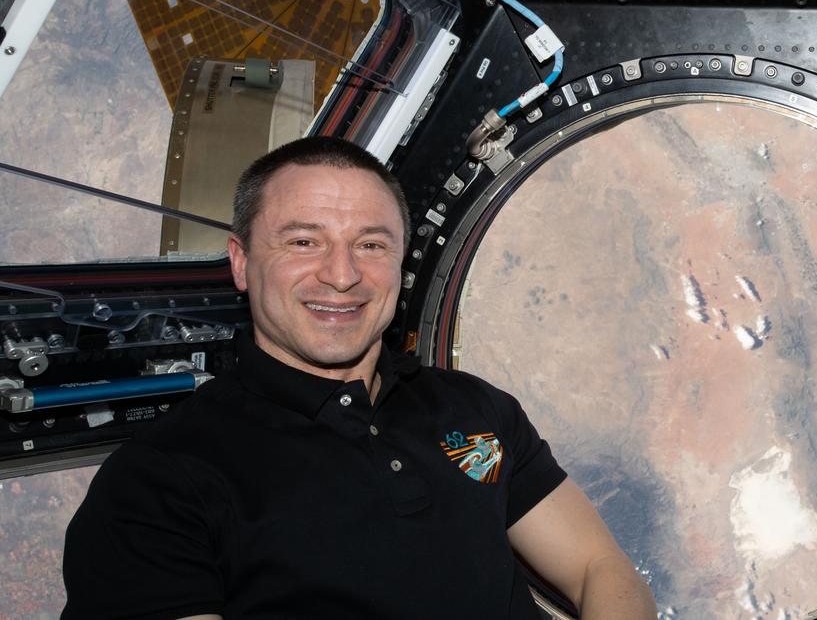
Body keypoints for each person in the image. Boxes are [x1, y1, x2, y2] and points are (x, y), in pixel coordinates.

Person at [62, 136, 655, 619]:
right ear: (241, 262)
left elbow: (599, 569)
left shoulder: (474, 409)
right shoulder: (159, 482)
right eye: (304, 241)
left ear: (400, 265)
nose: (342, 275)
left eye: (370, 244)